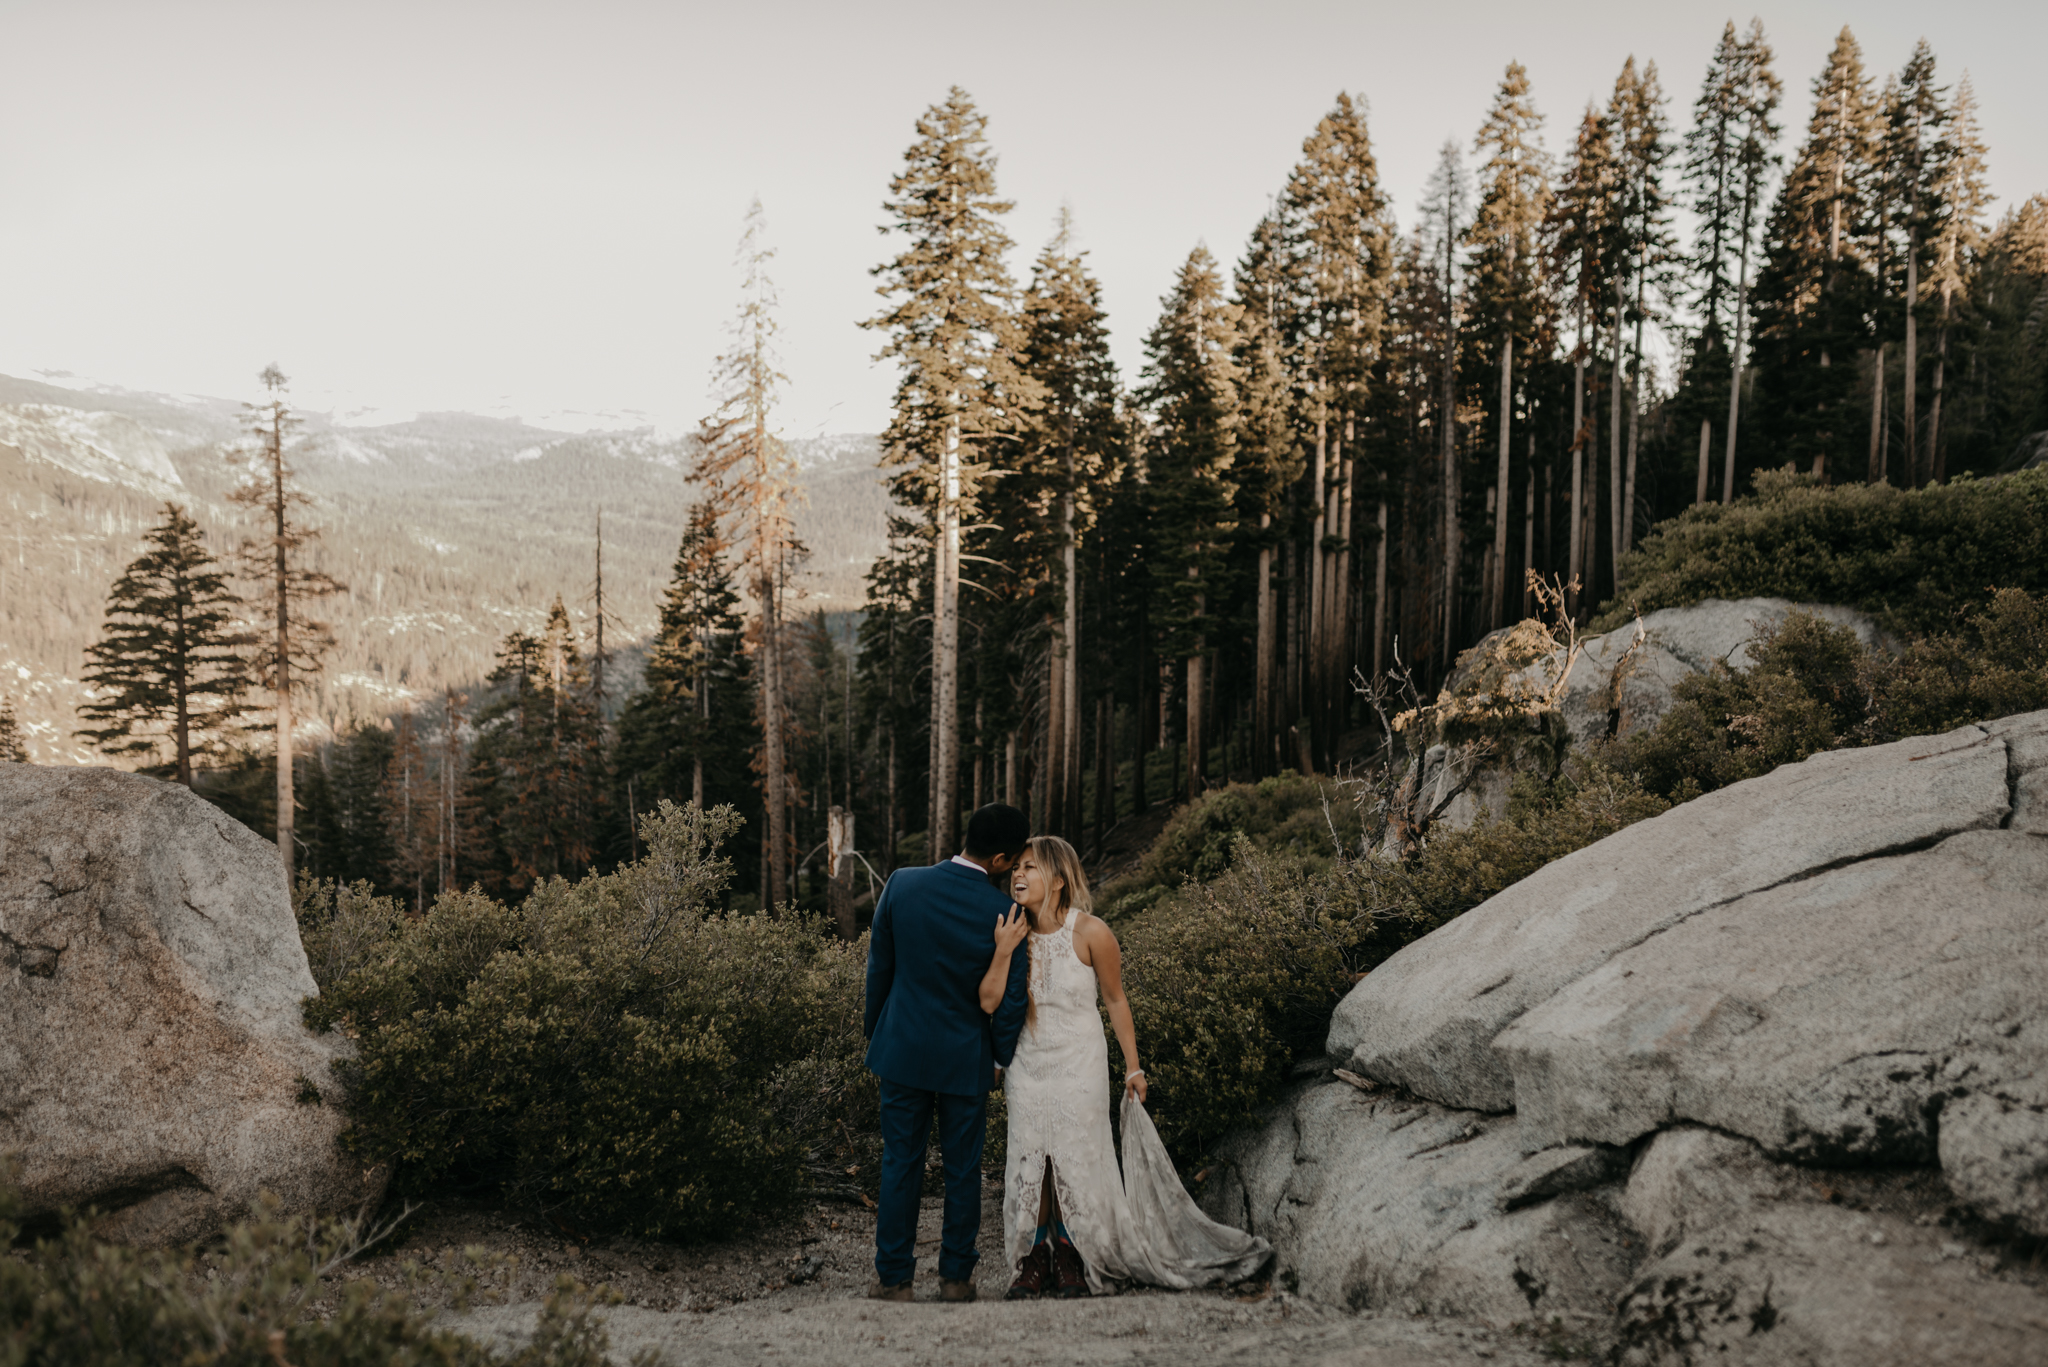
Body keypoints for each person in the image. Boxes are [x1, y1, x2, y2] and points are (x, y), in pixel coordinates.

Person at [981, 835, 1270, 1298]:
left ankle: (1076, 1252)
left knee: (1077, 1155)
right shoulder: (1010, 932)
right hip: (1027, 1064)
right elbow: (990, 1002)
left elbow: (1116, 1000)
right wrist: (1002, 949)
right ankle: (1036, 1256)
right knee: (1032, 1156)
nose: (1018, 875)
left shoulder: (1092, 931)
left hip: (1081, 1060)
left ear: (1057, 880)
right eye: (1016, 867)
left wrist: (1133, 1067)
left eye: (1030, 868)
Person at [862, 803, 1032, 1303]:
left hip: (902, 1048)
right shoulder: (1006, 913)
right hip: (967, 1055)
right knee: (963, 1169)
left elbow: (880, 969)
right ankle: (956, 1278)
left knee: (900, 1162)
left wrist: (879, 1035)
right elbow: (1011, 1001)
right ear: (1000, 859)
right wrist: (1000, 1059)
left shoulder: (901, 883)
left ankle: (894, 1279)